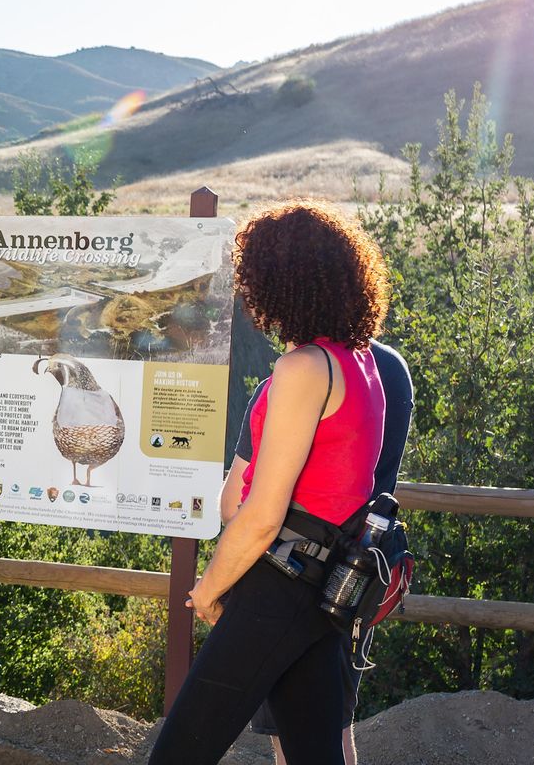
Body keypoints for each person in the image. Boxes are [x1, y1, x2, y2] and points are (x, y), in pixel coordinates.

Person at [149, 201, 391, 765]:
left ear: (283, 282)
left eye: (253, 278)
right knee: (315, 755)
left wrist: (208, 589)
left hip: (280, 585)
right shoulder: (360, 363)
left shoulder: (304, 368)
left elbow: (263, 513)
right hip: (325, 587)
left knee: (180, 751)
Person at [234, 338, 414, 765]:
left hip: (286, 569)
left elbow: (237, 502)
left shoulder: (297, 376)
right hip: (361, 573)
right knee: (336, 725)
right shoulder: (390, 368)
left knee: (288, 734)